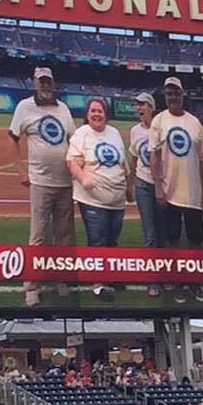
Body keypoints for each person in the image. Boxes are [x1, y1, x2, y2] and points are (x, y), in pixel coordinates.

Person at [9, 67, 77, 307]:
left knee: (64, 235)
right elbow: (13, 137)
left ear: (53, 84)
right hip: (40, 181)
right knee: (37, 236)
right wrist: (20, 169)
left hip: (65, 182)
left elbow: (73, 139)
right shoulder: (24, 107)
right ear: (34, 83)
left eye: (49, 82)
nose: (46, 86)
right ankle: (31, 286)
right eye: (42, 82)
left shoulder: (63, 108)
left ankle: (59, 279)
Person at [149, 76, 203, 303]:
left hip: (193, 192)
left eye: (176, 92)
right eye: (169, 93)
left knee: (196, 241)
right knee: (173, 240)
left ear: (183, 94)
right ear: (165, 95)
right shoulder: (159, 120)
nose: (173, 97)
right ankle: (177, 283)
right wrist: (158, 186)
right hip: (170, 191)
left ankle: (194, 282)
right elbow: (153, 155)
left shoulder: (195, 122)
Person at [68, 97, 128, 301]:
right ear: (87, 114)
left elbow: (122, 163)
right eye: (93, 111)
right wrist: (84, 178)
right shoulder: (82, 134)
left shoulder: (114, 133)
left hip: (117, 200)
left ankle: (111, 275)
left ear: (106, 114)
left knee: (112, 241)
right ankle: (98, 284)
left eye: (100, 111)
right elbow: (71, 161)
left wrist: (127, 188)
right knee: (98, 241)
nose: (96, 114)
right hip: (93, 199)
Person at [128, 91, 164, 297]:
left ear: (151, 107)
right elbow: (134, 158)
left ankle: (166, 274)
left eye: (143, 105)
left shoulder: (160, 128)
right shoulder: (135, 131)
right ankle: (153, 280)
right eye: (137, 105)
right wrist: (130, 184)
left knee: (164, 232)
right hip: (143, 184)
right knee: (150, 233)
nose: (139, 108)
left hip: (162, 184)